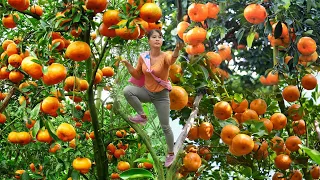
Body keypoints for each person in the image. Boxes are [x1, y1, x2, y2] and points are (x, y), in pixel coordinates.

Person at [121, 29, 184, 167]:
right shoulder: (143, 57)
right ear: (149, 40)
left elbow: (172, 59)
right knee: (127, 91)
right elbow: (137, 75)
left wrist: (177, 50)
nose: (157, 39)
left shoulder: (165, 56)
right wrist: (127, 64)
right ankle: (142, 116)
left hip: (161, 96)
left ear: (162, 41)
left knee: (165, 126)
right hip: (146, 92)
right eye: (154, 37)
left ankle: (170, 153)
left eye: (160, 37)